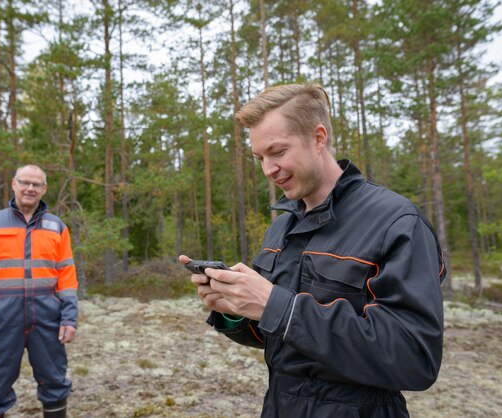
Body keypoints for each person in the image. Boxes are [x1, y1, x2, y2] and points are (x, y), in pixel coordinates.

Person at [179, 82, 445, 417]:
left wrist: (277, 306)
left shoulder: (396, 222)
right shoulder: (282, 226)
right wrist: (234, 308)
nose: (268, 170)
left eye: (277, 152)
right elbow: (278, 334)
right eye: (259, 157)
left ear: (318, 138)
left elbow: (414, 358)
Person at [0, 164, 79, 418]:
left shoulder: (57, 227)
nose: (30, 188)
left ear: (44, 189)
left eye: (36, 184)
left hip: (47, 316)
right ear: (13, 184)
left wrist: (69, 318)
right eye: (25, 182)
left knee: (55, 383)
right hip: (1, 316)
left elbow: (67, 277)